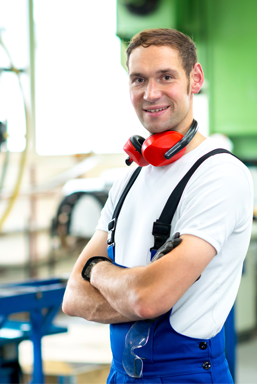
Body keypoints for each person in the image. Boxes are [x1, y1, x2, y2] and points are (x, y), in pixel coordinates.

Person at [62, 28, 254, 383]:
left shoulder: (219, 174)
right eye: (138, 79)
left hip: (185, 374)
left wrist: (98, 271)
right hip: (121, 374)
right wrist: (134, 292)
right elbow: (73, 298)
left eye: (166, 77)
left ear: (194, 79)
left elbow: (149, 299)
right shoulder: (129, 178)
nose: (151, 94)